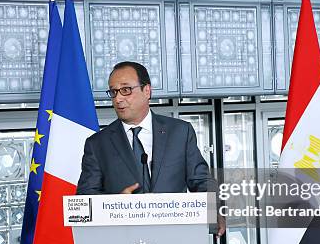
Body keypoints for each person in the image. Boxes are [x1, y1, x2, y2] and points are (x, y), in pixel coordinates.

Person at [76, 61, 223, 234]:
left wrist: (216, 212)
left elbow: (201, 181)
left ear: (147, 91)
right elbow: (85, 199)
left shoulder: (180, 132)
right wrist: (113, 204)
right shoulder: (97, 144)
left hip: (175, 237)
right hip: (122, 241)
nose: (118, 98)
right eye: (113, 92)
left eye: (125, 90)